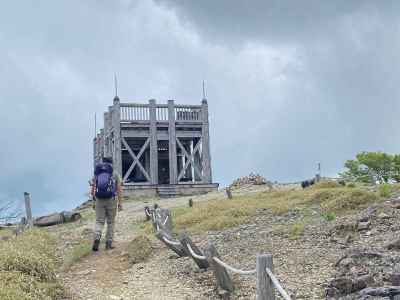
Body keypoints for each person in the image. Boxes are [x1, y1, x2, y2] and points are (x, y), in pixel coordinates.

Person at [91, 157, 122, 251]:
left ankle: (97, 237)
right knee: (110, 222)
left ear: (103, 162)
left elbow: (93, 187)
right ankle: (108, 243)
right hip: (111, 200)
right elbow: (119, 189)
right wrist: (120, 202)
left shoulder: (97, 173)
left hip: (99, 199)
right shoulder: (115, 173)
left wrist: (93, 201)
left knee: (99, 221)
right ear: (112, 163)